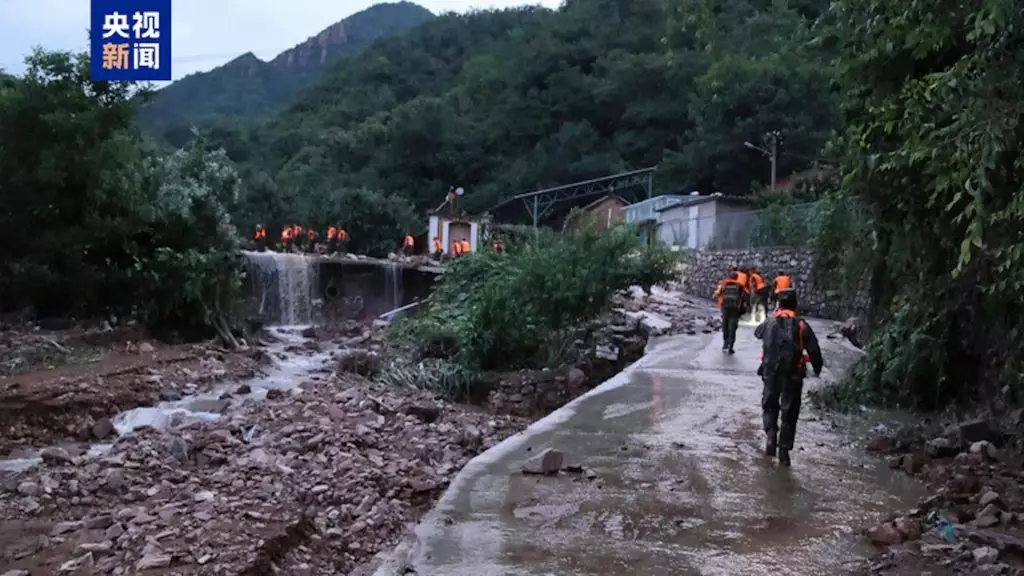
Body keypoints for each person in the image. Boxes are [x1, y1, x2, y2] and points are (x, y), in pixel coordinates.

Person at [754, 289, 823, 466]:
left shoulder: (769, 322)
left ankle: (771, 433)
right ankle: (784, 451)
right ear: (795, 304)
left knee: (769, 404)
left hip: (770, 372)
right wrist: (817, 369)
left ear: (780, 304)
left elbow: (757, 333)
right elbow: (814, 350)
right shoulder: (801, 325)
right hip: (793, 374)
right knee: (790, 412)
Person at [714, 271, 747, 354]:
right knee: (732, 328)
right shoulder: (740, 286)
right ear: (737, 278)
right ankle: (731, 347)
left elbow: (717, 294)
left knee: (725, 326)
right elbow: (744, 297)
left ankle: (725, 344)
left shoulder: (724, 284)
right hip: (735, 310)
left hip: (725, 308)